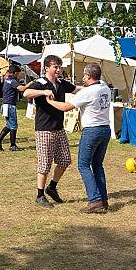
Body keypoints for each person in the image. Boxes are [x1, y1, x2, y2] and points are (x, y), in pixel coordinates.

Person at [47, 63, 112, 213]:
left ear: (88, 76)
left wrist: (50, 101)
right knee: (97, 165)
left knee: (83, 165)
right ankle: (103, 199)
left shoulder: (88, 92)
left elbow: (65, 107)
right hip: (105, 129)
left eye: (84, 75)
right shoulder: (104, 88)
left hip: (92, 131)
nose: (82, 77)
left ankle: (95, 201)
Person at [23, 55, 81, 208]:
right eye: (55, 67)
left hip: (59, 128)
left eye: (59, 66)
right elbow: (26, 93)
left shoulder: (62, 83)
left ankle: (52, 188)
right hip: (44, 129)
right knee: (45, 163)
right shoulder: (40, 83)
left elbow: (77, 90)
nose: (58, 69)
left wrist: (95, 86)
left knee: (65, 160)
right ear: (47, 68)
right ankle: (40, 195)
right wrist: (43, 93)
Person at [0, 65, 32, 151]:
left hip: (5, 105)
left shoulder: (7, 80)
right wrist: (28, 85)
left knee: (9, 125)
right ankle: (12, 145)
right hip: (10, 106)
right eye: (18, 74)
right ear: (14, 73)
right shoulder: (12, 81)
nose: (18, 75)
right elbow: (21, 89)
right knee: (13, 126)